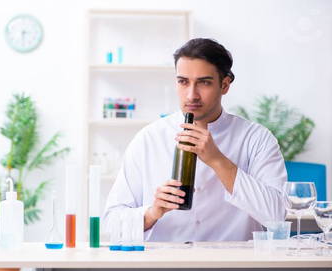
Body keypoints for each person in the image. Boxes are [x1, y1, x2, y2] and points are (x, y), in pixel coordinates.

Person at [103, 38, 287, 242]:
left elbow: (277, 216)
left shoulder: (256, 139)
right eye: (183, 82)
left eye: (204, 83)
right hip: (164, 266)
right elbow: (112, 223)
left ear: (224, 85)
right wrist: (153, 212)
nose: (191, 95)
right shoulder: (148, 139)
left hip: (231, 266)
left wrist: (218, 161)